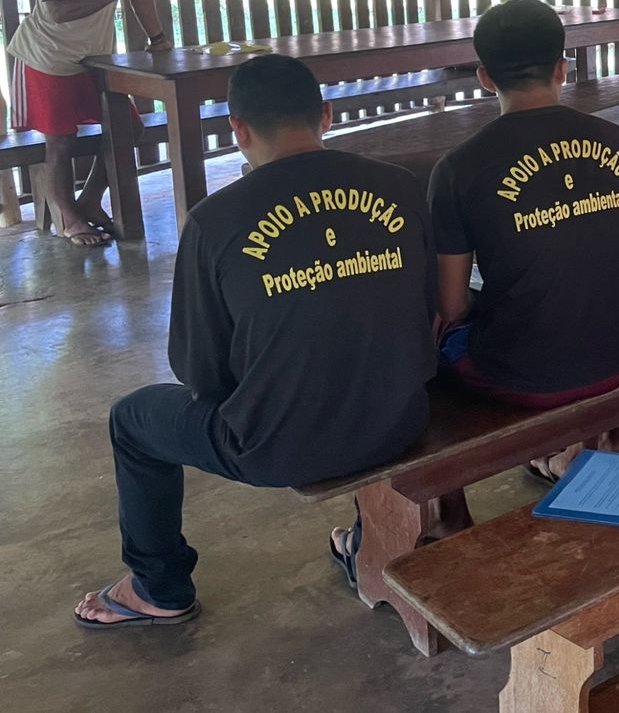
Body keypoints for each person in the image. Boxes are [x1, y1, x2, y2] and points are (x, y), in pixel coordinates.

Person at [72, 55, 435, 629]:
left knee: (133, 421)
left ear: (237, 129)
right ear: (327, 114)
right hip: (404, 419)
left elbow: (199, 371)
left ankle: (158, 587)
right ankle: (365, 536)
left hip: (281, 448)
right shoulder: (399, 187)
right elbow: (428, 307)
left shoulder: (215, 221)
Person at [428, 0, 619, 479]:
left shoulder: (458, 168)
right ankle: (570, 449)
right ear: (563, 68)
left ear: (484, 76)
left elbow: (451, 308)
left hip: (520, 377)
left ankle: (447, 510)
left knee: (429, 342)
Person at [7, 0, 172, 246]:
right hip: (49, 57)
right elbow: (55, 13)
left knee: (129, 129)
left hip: (95, 57)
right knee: (60, 142)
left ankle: (90, 201)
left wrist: (158, 38)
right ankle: (69, 220)